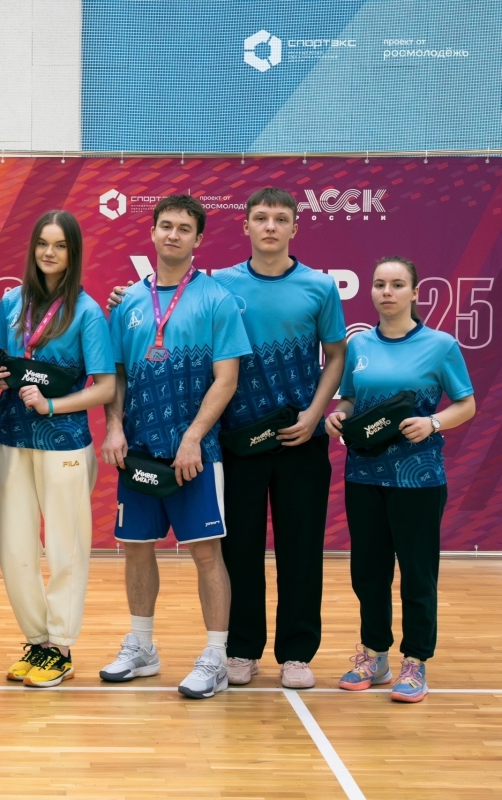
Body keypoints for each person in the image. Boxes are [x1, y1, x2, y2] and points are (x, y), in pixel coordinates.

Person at [107, 187, 347, 689]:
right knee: (239, 550)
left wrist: (314, 414)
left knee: (301, 550)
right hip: (240, 440)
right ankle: (239, 650)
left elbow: (336, 355)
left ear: (294, 226)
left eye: (280, 218)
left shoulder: (319, 286)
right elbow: (162, 311)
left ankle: (297, 655)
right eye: (261, 217)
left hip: (299, 437)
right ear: (246, 226)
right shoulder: (221, 285)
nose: (270, 226)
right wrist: (123, 298)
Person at [100, 195, 251, 699]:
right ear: (152, 232)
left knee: (207, 554)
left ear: (198, 239)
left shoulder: (217, 299)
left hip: (196, 455)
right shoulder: (128, 302)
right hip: (138, 450)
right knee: (136, 549)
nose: (173, 235)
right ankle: (142, 647)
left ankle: (215, 657)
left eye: (184, 228)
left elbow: (226, 379)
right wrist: (114, 426)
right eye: (165, 225)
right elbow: (115, 375)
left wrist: (193, 437)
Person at [326, 256, 474, 703]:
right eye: (379, 284)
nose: (386, 292)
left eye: (396, 284)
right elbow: (350, 400)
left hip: (419, 479)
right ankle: (375, 655)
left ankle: (416, 661)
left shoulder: (440, 345)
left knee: (416, 572)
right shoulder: (358, 345)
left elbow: (466, 404)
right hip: (364, 476)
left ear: (414, 293)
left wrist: (433, 423)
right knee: (368, 572)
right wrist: (338, 417)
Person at [0, 210, 116, 688]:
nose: (49, 252)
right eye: (43, 243)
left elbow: (105, 387)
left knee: (66, 546)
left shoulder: (87, 311)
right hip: (9, 437)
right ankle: (37, 642)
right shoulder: (12, 303)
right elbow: (0, 362)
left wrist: (52, 405)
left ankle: (60, 646)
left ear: (73, 252)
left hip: (64, 443)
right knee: (14, 546)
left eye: (60, 245)